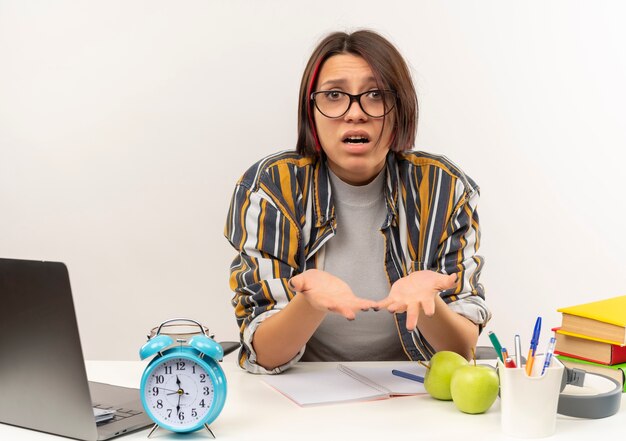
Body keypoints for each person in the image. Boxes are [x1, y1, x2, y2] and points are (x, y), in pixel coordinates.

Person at [225, 30, 491, 374]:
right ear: (312, 111)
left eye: (376, 94)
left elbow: (462, 352)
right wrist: (310, 302)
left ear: (401, 110)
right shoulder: (272, 187)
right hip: (299, 393)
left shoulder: (444, 188)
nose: (355, 113)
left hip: (413, 393)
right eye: (334, 94)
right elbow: (264, 353)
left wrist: (431, 304)